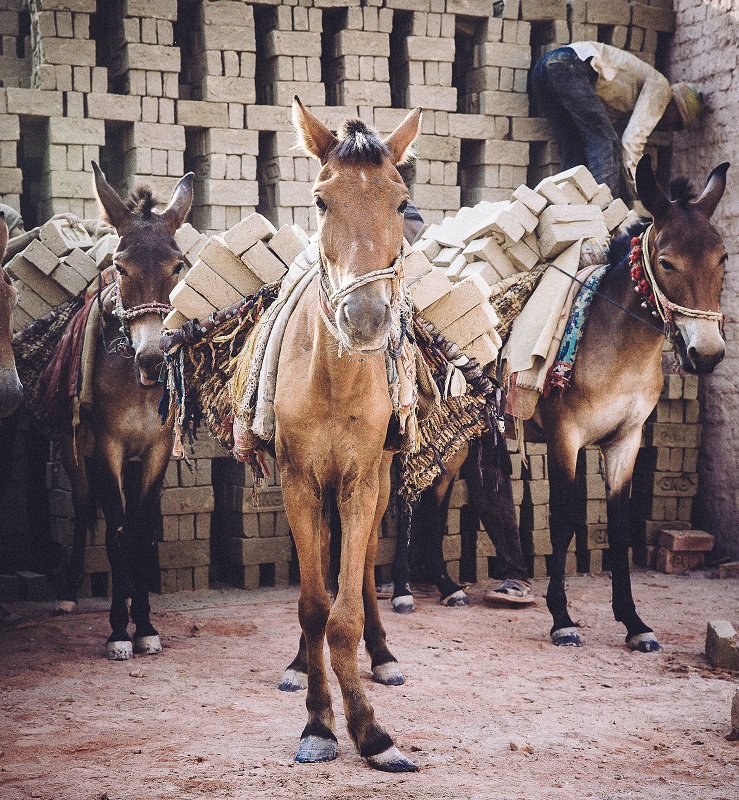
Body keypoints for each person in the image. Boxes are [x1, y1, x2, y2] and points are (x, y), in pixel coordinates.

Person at [531, 42, 703, 199]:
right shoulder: (662, 89)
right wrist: (644, 195)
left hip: (543, 69)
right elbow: (631, 141)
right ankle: (603, 211)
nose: (669, 128)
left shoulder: (627, 103)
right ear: (676, 105)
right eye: (677, 123)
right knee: (606, 142)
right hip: (570, 66)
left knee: (574, 147)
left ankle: (568, 208)